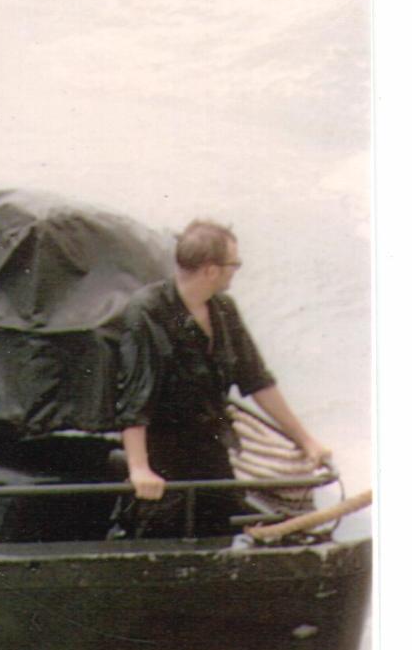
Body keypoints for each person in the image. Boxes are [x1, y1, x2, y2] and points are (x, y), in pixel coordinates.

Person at [114, 220, 331, 538]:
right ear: (211, 270)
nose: (236, 271)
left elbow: (257, 381)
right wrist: (138, 469)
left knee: (219, 523)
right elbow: (135, 397)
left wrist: (306, 440)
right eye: (235, 264)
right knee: (161, 529)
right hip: (162, 452)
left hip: (211, 446)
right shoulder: (149, 311)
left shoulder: (223, 310)